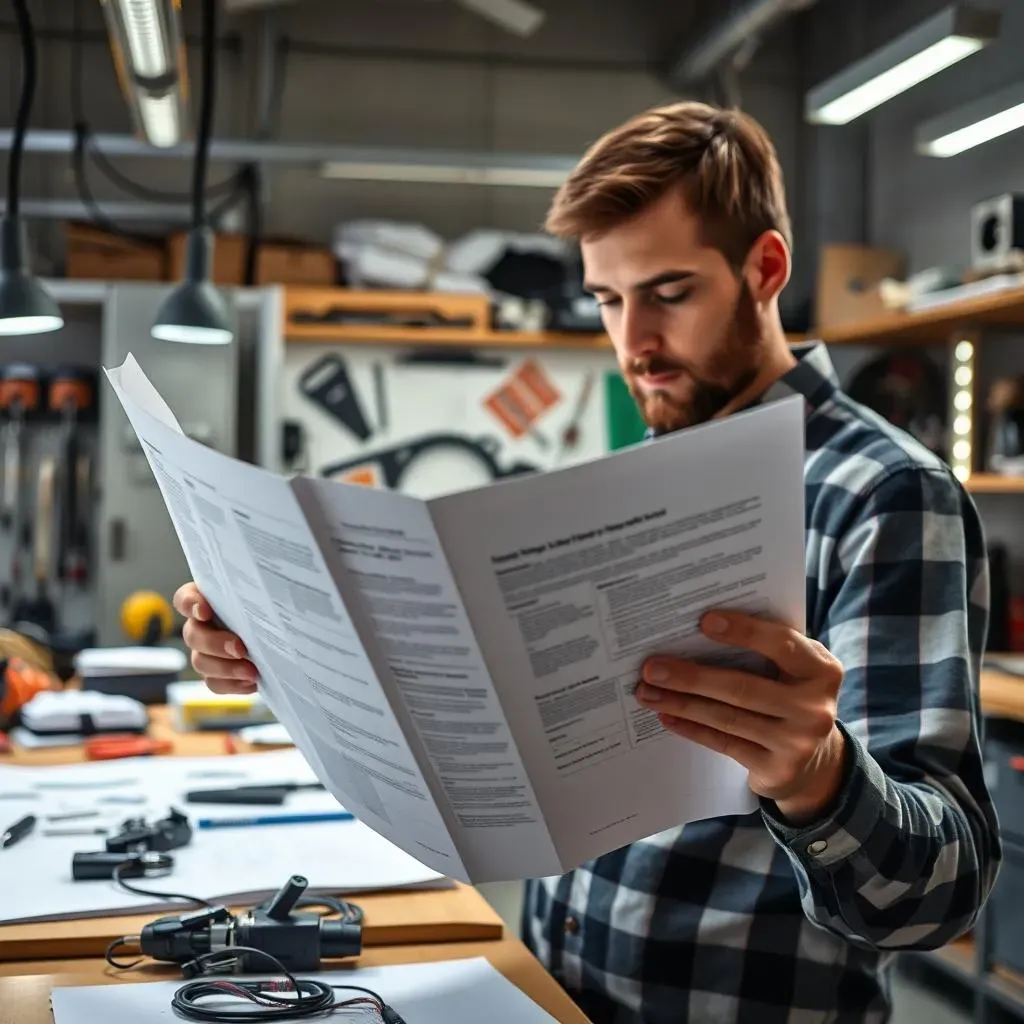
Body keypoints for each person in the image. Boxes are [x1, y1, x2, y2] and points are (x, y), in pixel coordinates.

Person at [175, 101, 1001, 1023]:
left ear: (764, 269)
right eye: (609, 299)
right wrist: (278, 649)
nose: (633, 343)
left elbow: (943, 891)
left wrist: (821, 777)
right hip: (559, 994)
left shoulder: (885, 493)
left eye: (670, 293)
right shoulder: (634, 474)